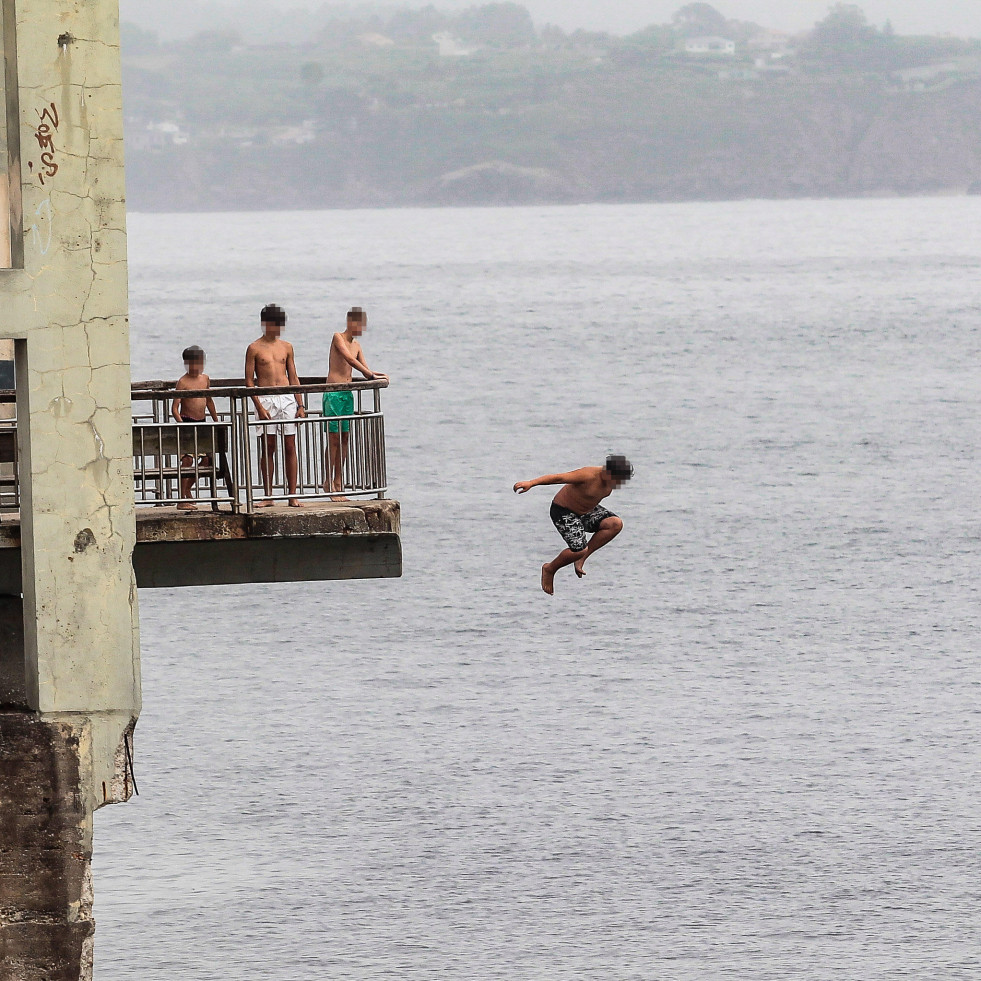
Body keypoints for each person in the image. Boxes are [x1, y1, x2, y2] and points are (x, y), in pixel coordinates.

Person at [513, 454, 633, 595]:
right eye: (616, 479)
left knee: (615, 524)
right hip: (564, 512)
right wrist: (531, 483)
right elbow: (558, 478)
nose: (617, 484)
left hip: (585, 512)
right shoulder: (588, 474)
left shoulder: (610, 482)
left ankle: (582, 558)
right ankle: (550, 569)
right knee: (578, 549)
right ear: (607, 472)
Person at [323, 307, 388, 501]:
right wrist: (368, 374)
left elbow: (364, 368)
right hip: (333, 393)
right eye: (359, 325)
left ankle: (338, 481)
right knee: (333, 438)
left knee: (344, 438)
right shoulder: (338, 337)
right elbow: (349, 359)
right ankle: (328, 481)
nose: (361, 329)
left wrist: (376, 375)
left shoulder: (357, 345)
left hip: (347, 394)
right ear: (351, 322)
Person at [245, 304, 306, 507]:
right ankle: (268, 494)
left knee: (290, 445)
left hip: (286, 397)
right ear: (265, 324)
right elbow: (249, 381)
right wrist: (259, 407)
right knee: (268, 446)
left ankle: (292, 494)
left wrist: (300, 404)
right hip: (265, 398)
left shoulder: (286, 347)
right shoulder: (254, 348)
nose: (278, 328)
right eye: (275, 324)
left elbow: (293, 376)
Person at [171, 345, 219, 511]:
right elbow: (174, 408)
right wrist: (182, 425)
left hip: (202, 422)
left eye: (199, 363)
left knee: (206, 460)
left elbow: (209, 400)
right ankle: (181, 498)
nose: (196, 367)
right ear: (187, 364)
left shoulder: (205, 379)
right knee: (187, 460)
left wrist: (215, 419)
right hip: (187, 422)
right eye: (192, 364)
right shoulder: (183, 382)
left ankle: (187, 489)